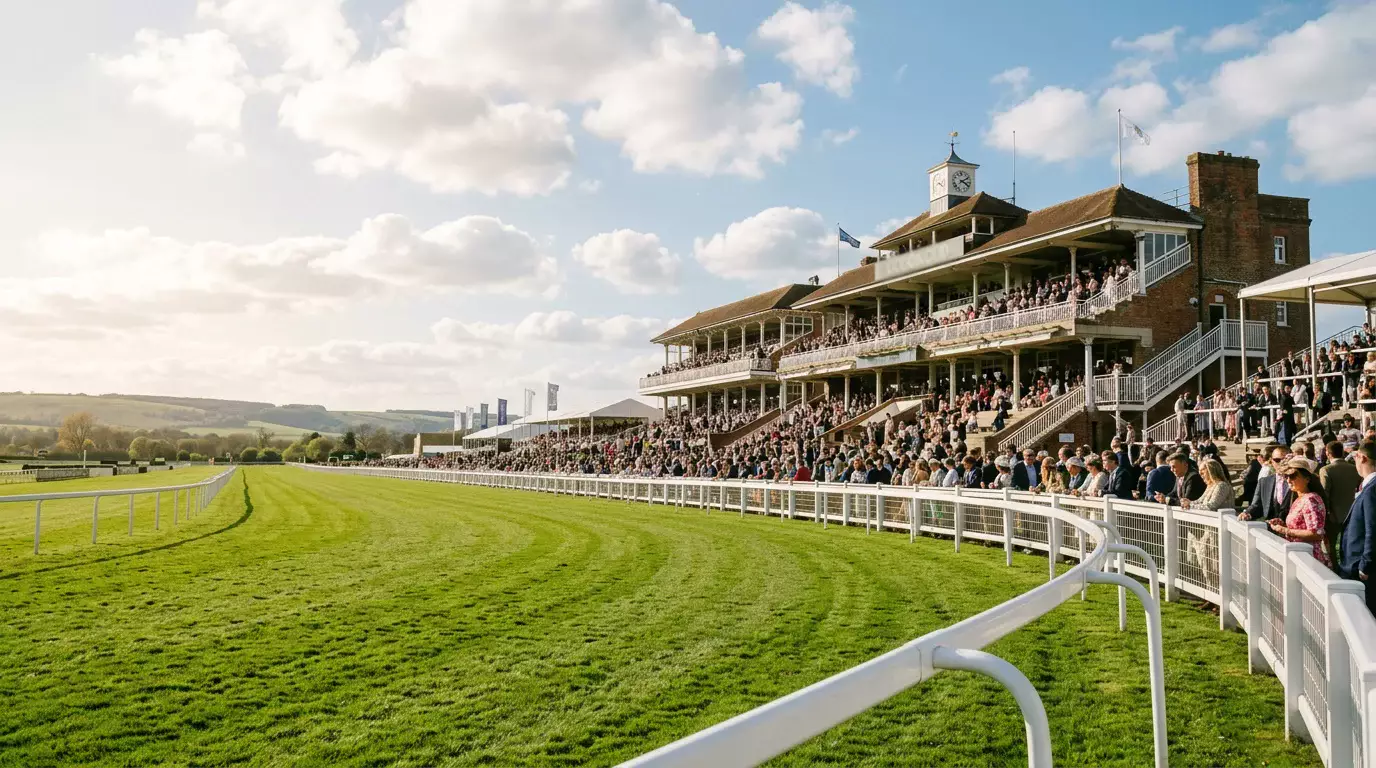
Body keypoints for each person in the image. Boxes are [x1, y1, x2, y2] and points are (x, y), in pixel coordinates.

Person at [1268, 457, 1332, 567]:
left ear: (1307, 479)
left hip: (1308, 558)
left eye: (1292, 476)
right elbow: (1301, 526)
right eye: (1286, 476)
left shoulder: (1311, 499)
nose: (1288, 480)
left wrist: (1285, 530)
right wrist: (1281, 523)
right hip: (1298, 556)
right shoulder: (1299, 499)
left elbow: (1316, 533)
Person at [1339, 441, 1376, 613]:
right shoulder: (1368, 487)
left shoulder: (1372, 489)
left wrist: (1365, 565)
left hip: (1363, 569)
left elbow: (1372, 530)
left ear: (1362, 457)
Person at [1320, 441, 1361, 557]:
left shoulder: (1326, 470)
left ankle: (1334, 571)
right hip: (1351, 512)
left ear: (1328, 453)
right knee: (1349, 545)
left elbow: (1324, 494)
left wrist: (1326, 513)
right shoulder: (1354, 468)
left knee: (1331, 547)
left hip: (1333, 515)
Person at [1241, 446, 1292, 521]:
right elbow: (1256, 505)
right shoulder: (1264, 482)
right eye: (1277, 460)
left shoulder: (1299, 480)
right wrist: (1247, 513)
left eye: (1285, 460)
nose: (1281, 463)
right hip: (1269, 527)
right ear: (1272, 461)